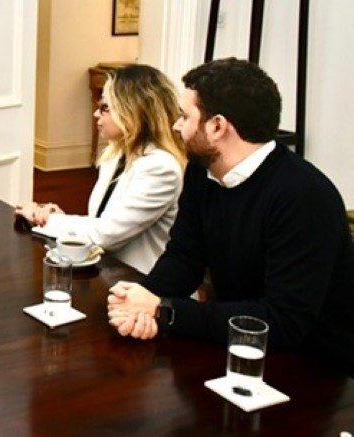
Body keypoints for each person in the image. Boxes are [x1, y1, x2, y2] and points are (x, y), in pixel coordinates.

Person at [106, 58, 354, 374]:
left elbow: (285, 321)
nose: (176, 126)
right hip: (236, 348)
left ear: (218, 126)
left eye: (184, 117)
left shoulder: (303, 196)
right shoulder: (201, 170)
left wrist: (165, 311)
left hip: (313, 369)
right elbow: (185, 257)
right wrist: (142, 300)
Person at [15, 64, 187, 273]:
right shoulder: (116, 154)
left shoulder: (160, 168)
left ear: (133, 112)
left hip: (144, 284)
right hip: (111, 274)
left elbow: (106, 235)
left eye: (105, 107)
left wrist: (48, 219)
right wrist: (61, 218)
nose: (96, 114)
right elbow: (106, 222)